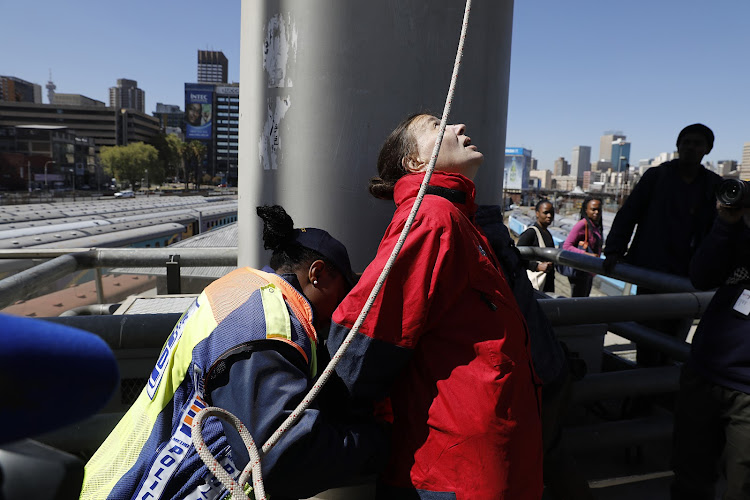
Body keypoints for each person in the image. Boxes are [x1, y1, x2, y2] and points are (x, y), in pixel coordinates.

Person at [81, 205, 389, 500]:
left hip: (125, 473)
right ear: (317, 273)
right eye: (343, 290)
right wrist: (378, 442)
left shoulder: (243, 288)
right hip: (157, 489)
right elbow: (280, 457)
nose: (342, 307)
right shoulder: (269, 325)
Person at [328, 114, 543, 499]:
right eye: (437, 124)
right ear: (414, 163)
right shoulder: (433, 217)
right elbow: (364, 338)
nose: (460, 127)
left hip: (476, 459)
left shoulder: (457, 220)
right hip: (452, 471)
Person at [603, 123, 722, 367]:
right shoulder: (657, 176)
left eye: (697, 143)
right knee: (647, 335)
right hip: (651, 268)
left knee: (675, 335)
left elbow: (718, 230)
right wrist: (614, 251)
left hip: (688, 272)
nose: (690, 147)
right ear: (677, 146)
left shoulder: (713, 185)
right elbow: (629, 213)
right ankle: (644, 391)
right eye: (686, 142)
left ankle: (655, 390)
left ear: (708, 149)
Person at [671, 201, 750, 500]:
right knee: (689, 479)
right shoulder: (739, 234)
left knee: (741, 488)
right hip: (705, 371)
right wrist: (727, 224)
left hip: (746, 391)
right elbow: (701, 276)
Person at [563, 196, 603, 297]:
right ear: (586, 210)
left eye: (598, 209)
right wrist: (587, 255)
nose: (596, 212)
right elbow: (567, 246)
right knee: (578, 302)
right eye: (593, 209)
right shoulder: (582, 224)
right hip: (580, 272)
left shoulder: (595, 226)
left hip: (588, 271)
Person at [517, 199, 557, 293]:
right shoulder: (530, 233)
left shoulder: (547, 233)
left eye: (551, 213)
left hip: (546, 283)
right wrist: (536, 266)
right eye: (545, 212)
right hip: (534, 285)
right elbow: (516, 255)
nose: (549, 216)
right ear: (537, 213)